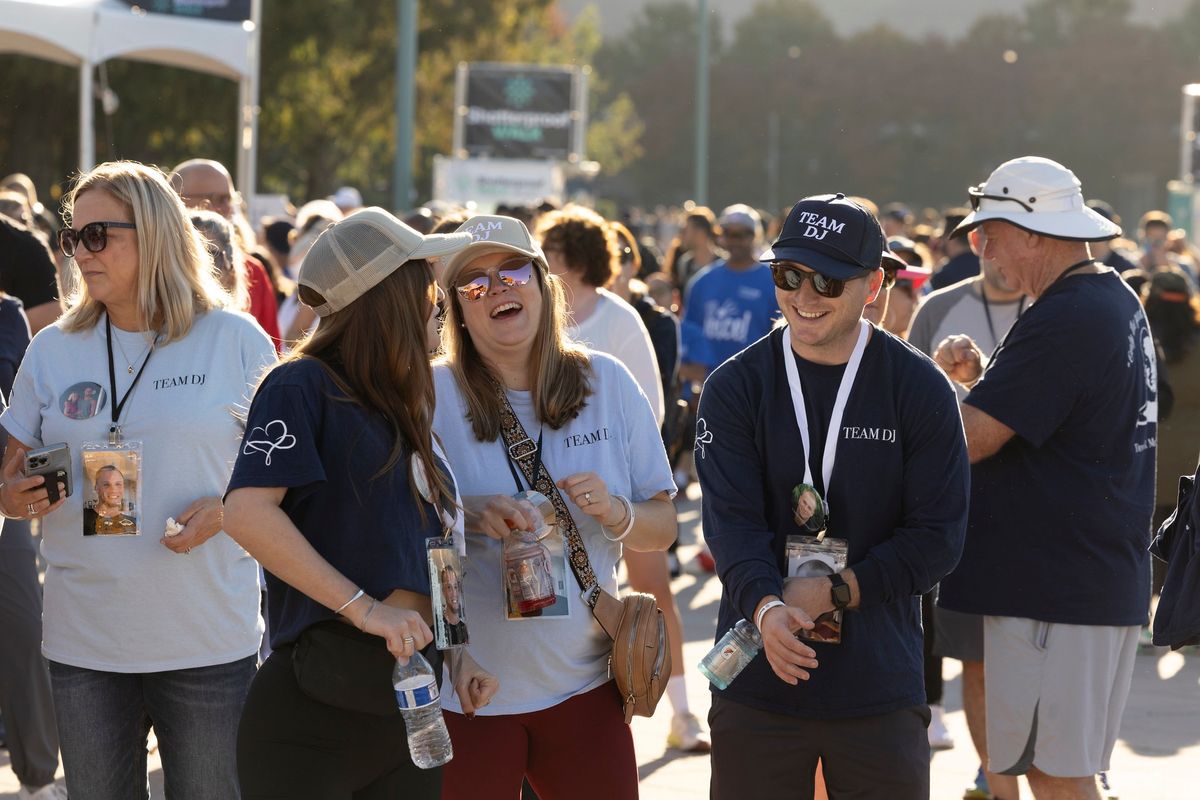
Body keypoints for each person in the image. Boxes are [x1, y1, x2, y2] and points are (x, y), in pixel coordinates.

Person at [0, 160, 276, 798]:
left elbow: (288, 480)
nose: (78, 253)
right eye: (73, 237)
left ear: (154, 234)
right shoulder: (52, 349)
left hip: (208, 642)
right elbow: (8, 478)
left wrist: (228, 511)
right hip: (85, 645)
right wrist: (13, 499)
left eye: (99, 235)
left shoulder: (234, 340)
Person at [697, 193, 969, 800]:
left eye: (828, 279)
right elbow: (731, 527)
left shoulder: (919, 388)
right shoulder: (736, 386)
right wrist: (768, 608)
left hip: (878, 689)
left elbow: (938, 539)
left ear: (873, 284)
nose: (805, 295)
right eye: (788, 274)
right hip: (758, 682)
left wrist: (836, 589)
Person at [223, 208, 496, 797]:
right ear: (391, 295)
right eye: (427, 283)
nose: (439, 302)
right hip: (314, 708)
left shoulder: (403, 400)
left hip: (408, 706)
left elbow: (437, 544)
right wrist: (367, 611)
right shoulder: (303, 383)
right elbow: (245, 513)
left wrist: (458, 653)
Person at [933, 156, 1156, 800]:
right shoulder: (1101, 297)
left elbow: (971, 439)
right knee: (1051, 767)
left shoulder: (1069, 314)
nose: (982, 246)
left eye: (991, 230)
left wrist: (899, 410)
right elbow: (1065, 418)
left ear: (1033, 231)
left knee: (1058, 775)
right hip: (1077, 580)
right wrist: (980, 386)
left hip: (1057, 588)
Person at [433, 214, 677, 799]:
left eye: (512, 270)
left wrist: (616, 512)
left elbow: (662, 528)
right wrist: (469, 511)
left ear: (544, 283)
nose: (497, 288)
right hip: (469, 692)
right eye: (474, 284)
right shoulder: (428, 394)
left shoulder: (608, 383)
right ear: (458, 311)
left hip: (585, 687)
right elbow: (408, 535)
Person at [535, 205, 706, 752]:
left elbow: (649, 408)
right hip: (554, 494)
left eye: (552, 253)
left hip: (625, 486)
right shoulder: (539, 315)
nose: (542, 262)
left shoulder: (620, 318)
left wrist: (621, 487)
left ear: (578, 259)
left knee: (653, 594)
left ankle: (682, 712)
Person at [907, 226, 1029, 799]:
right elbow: (908, 403)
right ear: (979, 242)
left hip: (1039, 521)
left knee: (1037, 664)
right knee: (977, 662)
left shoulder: (1056, 311)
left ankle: (1058, 769)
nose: (997, 252)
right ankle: (996, 776)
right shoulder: (937, 308)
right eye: (987, 238)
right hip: (964, 515)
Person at [171, 158, 281, 349]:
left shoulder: (251, 271)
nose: (229, 209)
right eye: (219, 199)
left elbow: (271, 355)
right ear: (177, 200)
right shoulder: (148, 268)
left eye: (230, 199)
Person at [679, 204, 779, 384]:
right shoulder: (702, 282)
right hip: (709, 387)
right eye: (728, 234)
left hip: (754, 387)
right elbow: (690, 337)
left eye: (742, 235)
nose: (735, 241)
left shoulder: (773, 282)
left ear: (755, 236)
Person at [929, 208, 980, 290]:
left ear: (951, 238)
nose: (940, 242)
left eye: (943, 236)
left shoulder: (943, 276)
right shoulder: (987, 268)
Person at [82, 464, 137, 535]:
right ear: (97, 488)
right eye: (106, 485)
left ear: (123, 488)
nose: (113, 490)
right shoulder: (82, 519)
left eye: (118, 484)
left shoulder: (133, 524)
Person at [440, 564, 468, 646]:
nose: (454, 593)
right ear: (443, 591)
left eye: (455, 587)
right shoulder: (439, 628)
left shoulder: (465, 629)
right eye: (449, 587)